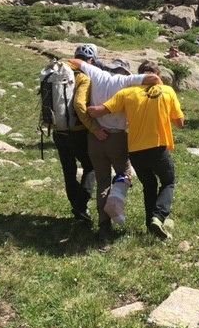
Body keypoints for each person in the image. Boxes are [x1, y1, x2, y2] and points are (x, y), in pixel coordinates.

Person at [69, 54, 162, 241]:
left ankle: (104, 226)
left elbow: (75, 61)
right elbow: (153, 78)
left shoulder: (97, 74)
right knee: (125, 173)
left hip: (95, 136)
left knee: (102, 181)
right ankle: (115, 200)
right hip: (117, 137)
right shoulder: (127, 81)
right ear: (125, 70)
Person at [88, 60, 184, 240]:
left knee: (149, 185)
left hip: (135, 151)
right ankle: (158, 217)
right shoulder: (168, 91)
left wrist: (84, 107)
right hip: (157, 148)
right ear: (158, 76)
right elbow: (180, 123)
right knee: (169, 180)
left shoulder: (127, 93)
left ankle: (151, 224)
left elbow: (98, 111)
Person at [52, 44, 102, 223]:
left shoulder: (57, 73)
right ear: (90, 61)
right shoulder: (82, 77)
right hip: (78, 133)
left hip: (58, 131)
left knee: (69, 170)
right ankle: (80, 206)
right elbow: (79, 106)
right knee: (91, 166)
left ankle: (77, 208)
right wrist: (94, 128)